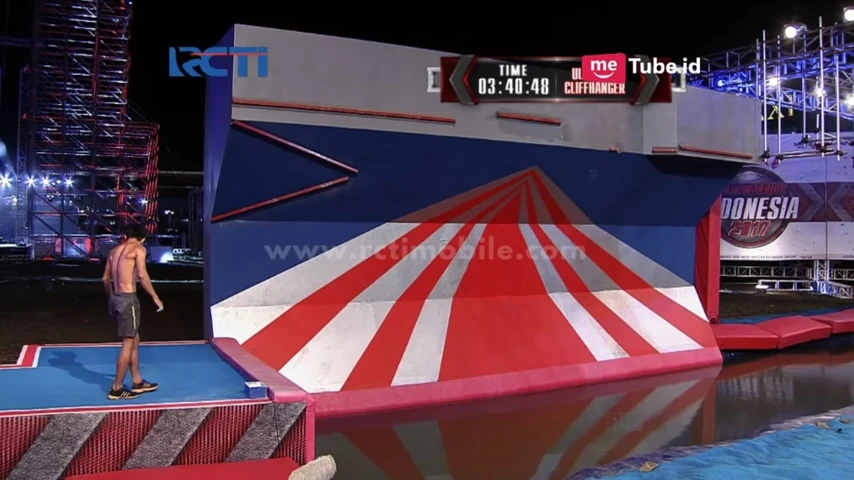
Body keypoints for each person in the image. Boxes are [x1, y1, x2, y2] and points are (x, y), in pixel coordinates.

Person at [102, 225, 164, 400]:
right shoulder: (138, 249)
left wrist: (112, 297)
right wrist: (155, 297)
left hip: (116, 297)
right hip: (128, 299)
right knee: (128, 342)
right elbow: (142, 276)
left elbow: (105, 278)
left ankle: (137, 381)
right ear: (142, 238)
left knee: (134, 338)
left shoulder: (114, 251)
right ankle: (116, 388)